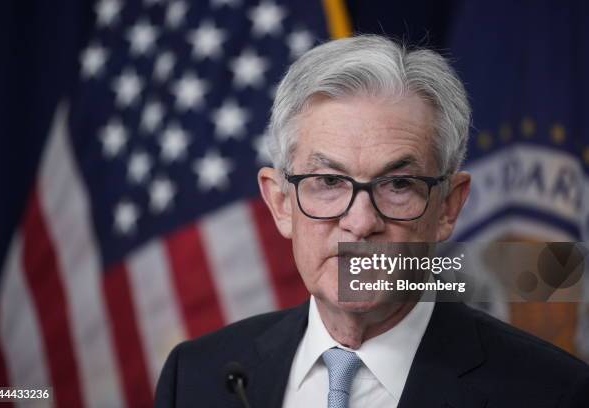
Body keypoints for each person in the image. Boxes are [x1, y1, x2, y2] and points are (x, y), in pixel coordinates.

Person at [155, 35, 589, 407]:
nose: (360, 222)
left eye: (398, 185)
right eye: (328, 181)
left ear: (448, 207)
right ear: (281, 202)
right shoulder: (195, 378)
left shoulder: (552, 393)